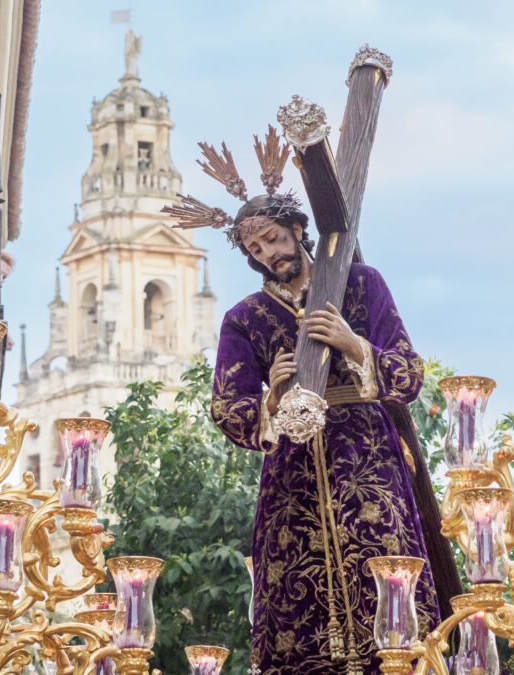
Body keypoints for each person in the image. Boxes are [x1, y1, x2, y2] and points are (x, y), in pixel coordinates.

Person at [164, 138, 439, 675]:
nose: (268, 253)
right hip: (291, 477)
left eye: (273, 238)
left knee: (388, 583)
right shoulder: (244, 319)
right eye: (257, 249)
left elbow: (408, 374)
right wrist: (270, 398)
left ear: (296, 230)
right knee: (296, 604)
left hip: (367, 461)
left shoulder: (360, 285)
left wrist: (352, 343)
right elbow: (227, 408)